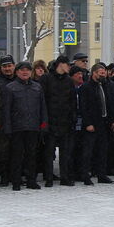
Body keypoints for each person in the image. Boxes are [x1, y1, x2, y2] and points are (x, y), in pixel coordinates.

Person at [2, 62, 48, 191]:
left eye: (28, 70)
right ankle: (16, 181)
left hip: (33, 127)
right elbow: (6, 110)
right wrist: (8, 128)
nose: (25, 72)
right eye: (22, 70)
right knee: (16, 156)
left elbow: (42, 108)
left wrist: (44, 125)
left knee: (32, 155)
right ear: (17, 72)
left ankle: (31, 180)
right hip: (17, 127)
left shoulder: (37, 87)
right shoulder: (10, 87)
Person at [38, 56, 76, 186]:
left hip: (65, 121)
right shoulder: (46, 79)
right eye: (68, 65)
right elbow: (42, 101)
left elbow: (72, 102)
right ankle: (48, 178)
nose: (69, 67)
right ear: (60, 64)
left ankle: (64, 177)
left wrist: (73, 118)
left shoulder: (69, 81)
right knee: (49, 152)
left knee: (65, 152)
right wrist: (43, 121)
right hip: (50, 121)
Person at [79, 63, 114, 184]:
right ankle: (85, 175)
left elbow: (110, 104)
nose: (103, 75)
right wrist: (88, 123)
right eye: (100, 73)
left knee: (103, 150)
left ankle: (102, 175)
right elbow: (83, 107)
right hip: (92, 123)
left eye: (104, 72)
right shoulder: (86, 87)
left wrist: (112, 120)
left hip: (104, 122)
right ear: (94, 73)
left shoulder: (106, 86)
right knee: (88, 151)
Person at [0, 55, 16, 186]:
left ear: (14, 66)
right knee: (3, 150)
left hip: (17, 120)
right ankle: (4, 175)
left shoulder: (20, 79)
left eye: (9, 66)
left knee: (16, 149)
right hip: (2, 120)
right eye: (5, 66)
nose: (7, 68)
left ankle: (15, 174)